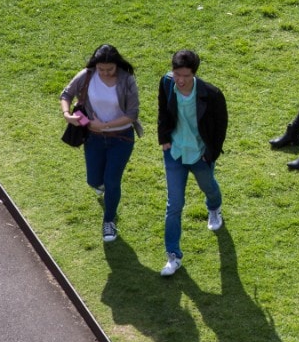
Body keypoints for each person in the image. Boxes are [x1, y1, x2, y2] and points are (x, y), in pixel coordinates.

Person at [59, 45, 143, 244]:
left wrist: (104, 125)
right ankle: (106, 191)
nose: (105, 73)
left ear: (117, 65)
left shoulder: (127, 80)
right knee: (94, 181)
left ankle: (109, 220)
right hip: (94, 138)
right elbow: (66, 94)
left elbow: (132, 115)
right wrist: (67, 114)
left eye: (109, 69)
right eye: (101, 69)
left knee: (112, 181)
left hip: (121, 138)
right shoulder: (87, 75)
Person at [157, 49, 228, 277]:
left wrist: (211, 154)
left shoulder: (212, 94)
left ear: (194, 74)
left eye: (186, 75)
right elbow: (162, 111)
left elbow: (220, 128)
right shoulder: (166, 84)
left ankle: (214, 207)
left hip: (200, 154)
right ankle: (173, 256)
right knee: (174, 204)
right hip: (175, 153)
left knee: (209, 188)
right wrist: (164, 139)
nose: (180, 80)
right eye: (177, 74)